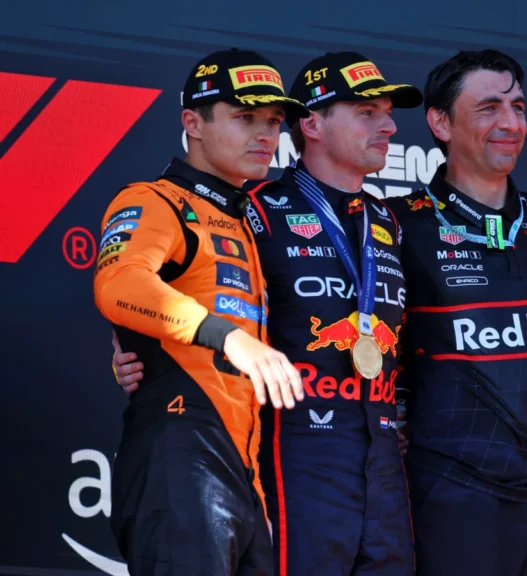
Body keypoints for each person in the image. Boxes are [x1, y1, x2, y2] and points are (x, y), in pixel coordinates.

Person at [112, 51, 422, 575]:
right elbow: (138, 280)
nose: (388, 126)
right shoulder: (249, 207)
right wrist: (136, 343)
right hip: (283, 450)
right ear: (313, 125)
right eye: (367, 112)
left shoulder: (389, 220)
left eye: (272, 121)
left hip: (379, 454)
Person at [94, 48, 309, 575]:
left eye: (273, 122)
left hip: (243, 468)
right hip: (181, 454)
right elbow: (119, 283)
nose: (266, 135)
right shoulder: (156, 200)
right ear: (192, 123)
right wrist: (229, 337)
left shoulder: (243, 220)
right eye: (245, 117)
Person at [385, 49, 527, 576]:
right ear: (440, 123)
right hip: (458, 493)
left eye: (518, 107)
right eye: (489, 108)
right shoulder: (402, 222)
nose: (511, 123)